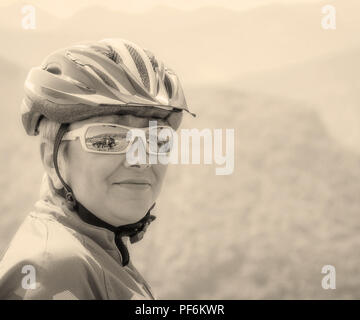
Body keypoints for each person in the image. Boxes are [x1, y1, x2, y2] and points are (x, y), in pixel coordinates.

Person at [0, 38, 194, 299]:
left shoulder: (99, 253)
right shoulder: (52, 271)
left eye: (157, 139)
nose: (141, 159)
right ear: (51, 158)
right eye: (108, 139)